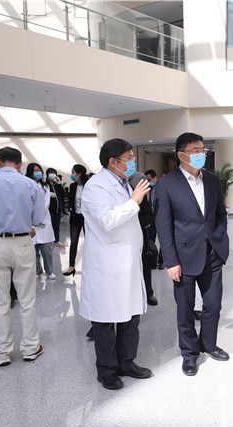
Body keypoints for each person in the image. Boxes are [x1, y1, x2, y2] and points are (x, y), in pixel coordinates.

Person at [80, 138, 153, 390]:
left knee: (130, 316)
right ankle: (106, 370)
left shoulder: (122, 183)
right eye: (129, 158)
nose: (133, 163)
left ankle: (126, 362)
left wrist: (133, 200)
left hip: (128, 263)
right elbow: (108, 220)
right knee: (105, 321)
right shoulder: (96, 186)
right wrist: (134, 201)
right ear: (113, 161)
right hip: (108, 265)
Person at [154, 132, 230, 376]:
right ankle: (189, 353)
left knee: (213, 305)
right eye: (195, 150)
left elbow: (220, 213)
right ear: (181, 155)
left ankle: (208, 344)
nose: (201, 154)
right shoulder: (166, 184)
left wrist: (220, 237)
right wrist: (171, 261)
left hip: (212, 253)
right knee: (185, 310)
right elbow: (163, 226)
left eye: (202, 150)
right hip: (183, 257)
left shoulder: (212, 180)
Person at [0, 147, 46, 367]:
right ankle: (31, 348)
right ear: (20, 164)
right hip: (23, 242)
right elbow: (37, 217)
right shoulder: (31, 184)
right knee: (27, 299)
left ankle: (2, 353)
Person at [128, 170, 158, 306]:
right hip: (122, 241)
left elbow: (149, 215)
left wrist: (135, 222)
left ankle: (149, 293)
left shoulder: (140, 197)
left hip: (140, 236)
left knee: (145, 265)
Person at [26, 163, 55, 280]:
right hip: (29, 220)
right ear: (30, 172)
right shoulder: (26, 184)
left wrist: (38, 216)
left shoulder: (45, 186)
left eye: (39, 170)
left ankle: (49, 271)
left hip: (44, 219)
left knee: (46, 249)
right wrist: (33, 217)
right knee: (33, 250)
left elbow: (46, 202)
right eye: (35, 170)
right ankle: (38, 270)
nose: (38, 173)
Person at [64, 164, 88, 277]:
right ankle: (71, 266)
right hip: (75, 217)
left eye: (73, 172)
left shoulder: (88, 185)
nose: (72, 174)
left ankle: (90, 265)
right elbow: (70, 198)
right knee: (74, 242)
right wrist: (70, 207)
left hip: (86, 218)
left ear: (79, 173)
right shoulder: (73, 186)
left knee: (89, 242)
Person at [144, 169, 163, 270]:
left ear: (155, 178)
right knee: (150, 240)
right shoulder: (146, 188)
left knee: (163, 240)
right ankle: (152, 261)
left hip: (160, 217)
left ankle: (161, 262)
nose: (148, 181)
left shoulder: (161, 188)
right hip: (150, 218)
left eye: (149, 179)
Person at [46, 167, 65, 248]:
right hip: (50, 209)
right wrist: (48, 194)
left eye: (54, 173)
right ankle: (48, 242)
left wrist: (59, 184)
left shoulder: (56, 185)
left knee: (56, 226)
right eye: (50, 173)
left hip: (58, 209)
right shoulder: (45, 184)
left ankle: (56, 241)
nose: (52, 175)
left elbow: (63, 194)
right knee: (49, 226)